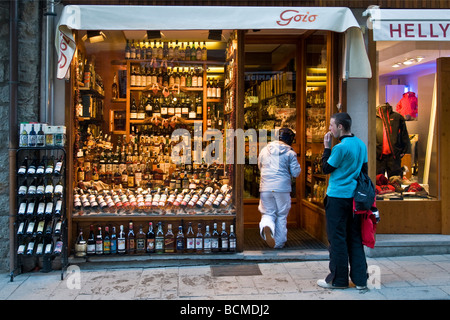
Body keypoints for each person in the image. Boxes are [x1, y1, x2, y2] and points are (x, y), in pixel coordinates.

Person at [318, 112, 368, 290]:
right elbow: (364, 171)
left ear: (340, 127)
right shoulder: (361, 145)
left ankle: (339, 280)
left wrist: (326, 147)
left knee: (337, 239)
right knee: (354, 238)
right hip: (354, 199)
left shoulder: (340, 148)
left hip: (338, 197)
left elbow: (325, 168)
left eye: (331, 125)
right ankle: (361, 280)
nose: (330, 129)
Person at [258, 127, 301, 248]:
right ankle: (279, 243)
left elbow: (259, 166)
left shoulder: (264, 150)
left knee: (267, 212)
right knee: (281, 215)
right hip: (282, 188)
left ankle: (267, 226)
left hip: (265, 187)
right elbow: (296, 172)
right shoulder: (290, 153)